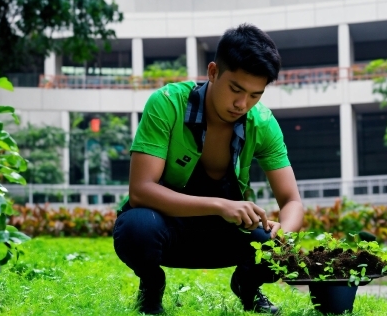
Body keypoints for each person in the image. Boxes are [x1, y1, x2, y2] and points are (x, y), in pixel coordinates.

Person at [113, 23, 304, 315]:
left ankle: (247, 286)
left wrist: (283, 236)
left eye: (255, 95)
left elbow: (291, 201)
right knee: (136, 229)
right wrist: (220, 205)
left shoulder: (263, 123)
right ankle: (151, 286)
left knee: (275, 246)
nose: (242, 104)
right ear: (213, 72)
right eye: (236, 89)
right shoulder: (167, 104)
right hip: (168, 227)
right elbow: (141, 191)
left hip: (227, 235)